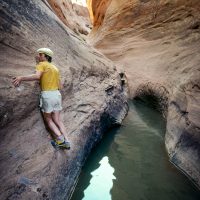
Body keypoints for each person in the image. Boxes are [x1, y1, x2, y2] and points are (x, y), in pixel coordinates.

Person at [12, 48, 70, 149]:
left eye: (39, 54)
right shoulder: (55, 68)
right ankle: (67, 140)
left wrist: (21, 78)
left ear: (44, 56)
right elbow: (60, 86)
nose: (38, 56)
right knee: (58, 120)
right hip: (57, 94)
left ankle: (61, 141)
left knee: (49, 120)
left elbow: (37, 76)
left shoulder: (42, 64)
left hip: (48, 95)